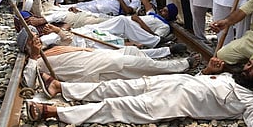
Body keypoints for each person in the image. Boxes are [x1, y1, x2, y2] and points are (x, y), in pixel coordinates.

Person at [25, 52, 253, 127]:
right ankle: (61, 88)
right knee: (111, 87)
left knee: (114, 106)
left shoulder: (252, 102)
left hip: (167, 103)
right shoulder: (230, 77)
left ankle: (55, 112)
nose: (246, 68)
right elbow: (203, 86)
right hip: (164, 83)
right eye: (248, 64)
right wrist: (206, 71)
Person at [17, 25, 197, 85]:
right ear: (27, 47)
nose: (37, 41)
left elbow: (67, 38)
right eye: (33, 41)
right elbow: (28, 82)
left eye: (36, 37)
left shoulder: (49, 48)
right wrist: (33, 57)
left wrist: (56, 31)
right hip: (97, 68)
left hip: (99, 56)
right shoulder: (37, 63)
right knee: (141, 66)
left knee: (135, 53)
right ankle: (182, 66)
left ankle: (169, 73)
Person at [84, 0, 178, 48]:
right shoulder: (154, 14)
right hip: (125, 22)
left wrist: (139, 21)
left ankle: (86, 33)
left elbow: (155, 38)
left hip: (131, 30)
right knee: (100, 24)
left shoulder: (165, 26)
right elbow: (145, 1)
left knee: (103, 31)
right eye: (163, 9)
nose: (161, 10)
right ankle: (85, 29)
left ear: (169, 15)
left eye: (165, 11)